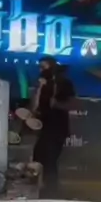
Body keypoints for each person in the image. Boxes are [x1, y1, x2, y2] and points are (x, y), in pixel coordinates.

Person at [32, 57, 75, 193]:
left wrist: (56, 104)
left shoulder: (64, 83)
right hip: (43, 127)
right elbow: (35, 105)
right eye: (40, 67)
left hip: (57, 127)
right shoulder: (41, 83)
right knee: (38, 156)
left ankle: (51, 190)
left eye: (43, 67)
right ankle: (39, 187)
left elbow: (72, 104)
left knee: (50, 159)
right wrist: (39, 89)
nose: (41, 70)